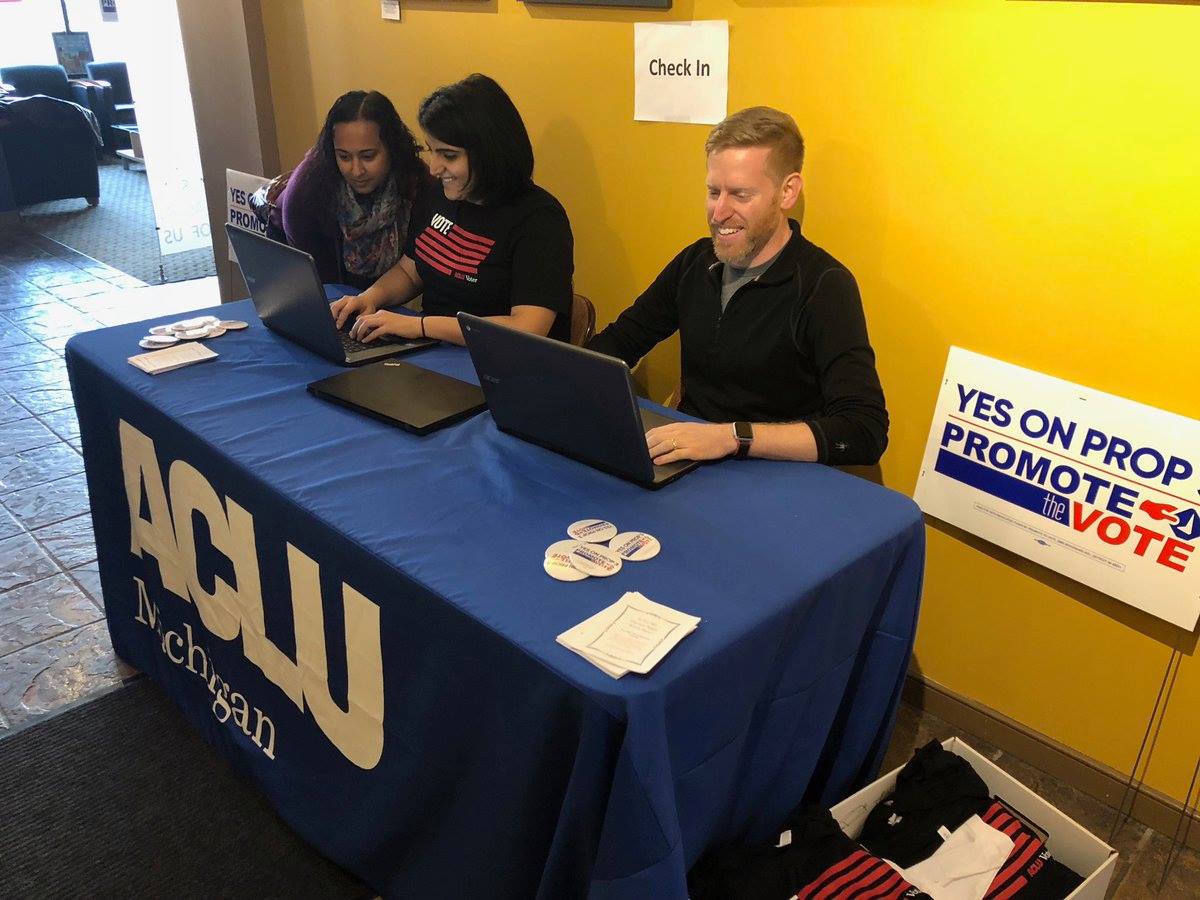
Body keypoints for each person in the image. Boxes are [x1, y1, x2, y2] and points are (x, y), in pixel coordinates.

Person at [587, 107, 888, 467]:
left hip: (773, 476)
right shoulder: (696, 262)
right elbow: (621, 341)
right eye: (714, 192)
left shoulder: (824, 285)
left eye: (740, 195)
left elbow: (863, 431)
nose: (718, 213)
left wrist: (731, 437)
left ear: (787, 191)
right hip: (689, 461)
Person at [333, 74, 574, 345]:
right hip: (434, 349)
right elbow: (410, 271)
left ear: (489, 153)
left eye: (448, 156)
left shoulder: (539, 220)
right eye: (432, 151)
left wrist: (420, 326)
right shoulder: (440, 194)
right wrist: (370, 298)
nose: (434, 168)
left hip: (501, 366)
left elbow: (528, 327)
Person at [276, 90, 428, 291]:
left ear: (392, 147)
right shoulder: (306, 194)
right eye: (344, 157)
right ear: (333, 152)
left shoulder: (417, 182)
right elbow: (323, 288)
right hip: (309, 276)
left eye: (368, 156)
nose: (356, 171)